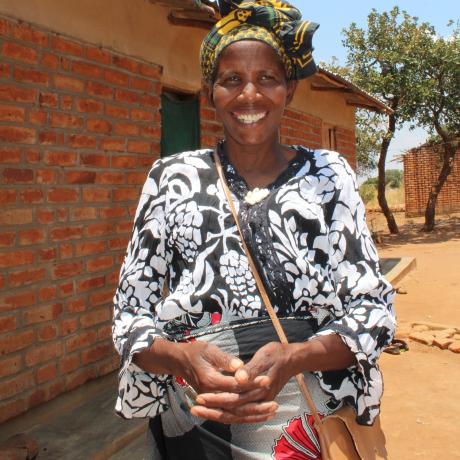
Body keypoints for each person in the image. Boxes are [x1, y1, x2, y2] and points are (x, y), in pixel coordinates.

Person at [112, 1, 396, 458]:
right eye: (231, 80)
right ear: (210, 92)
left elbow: (373, 311)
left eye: (267, 78)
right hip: (199, 425)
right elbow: (129, 318)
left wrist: (296, 357)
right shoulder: (172, 179)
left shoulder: (329, 176)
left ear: (290, 90)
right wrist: (182, 358)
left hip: (310, 424)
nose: (250, 96)